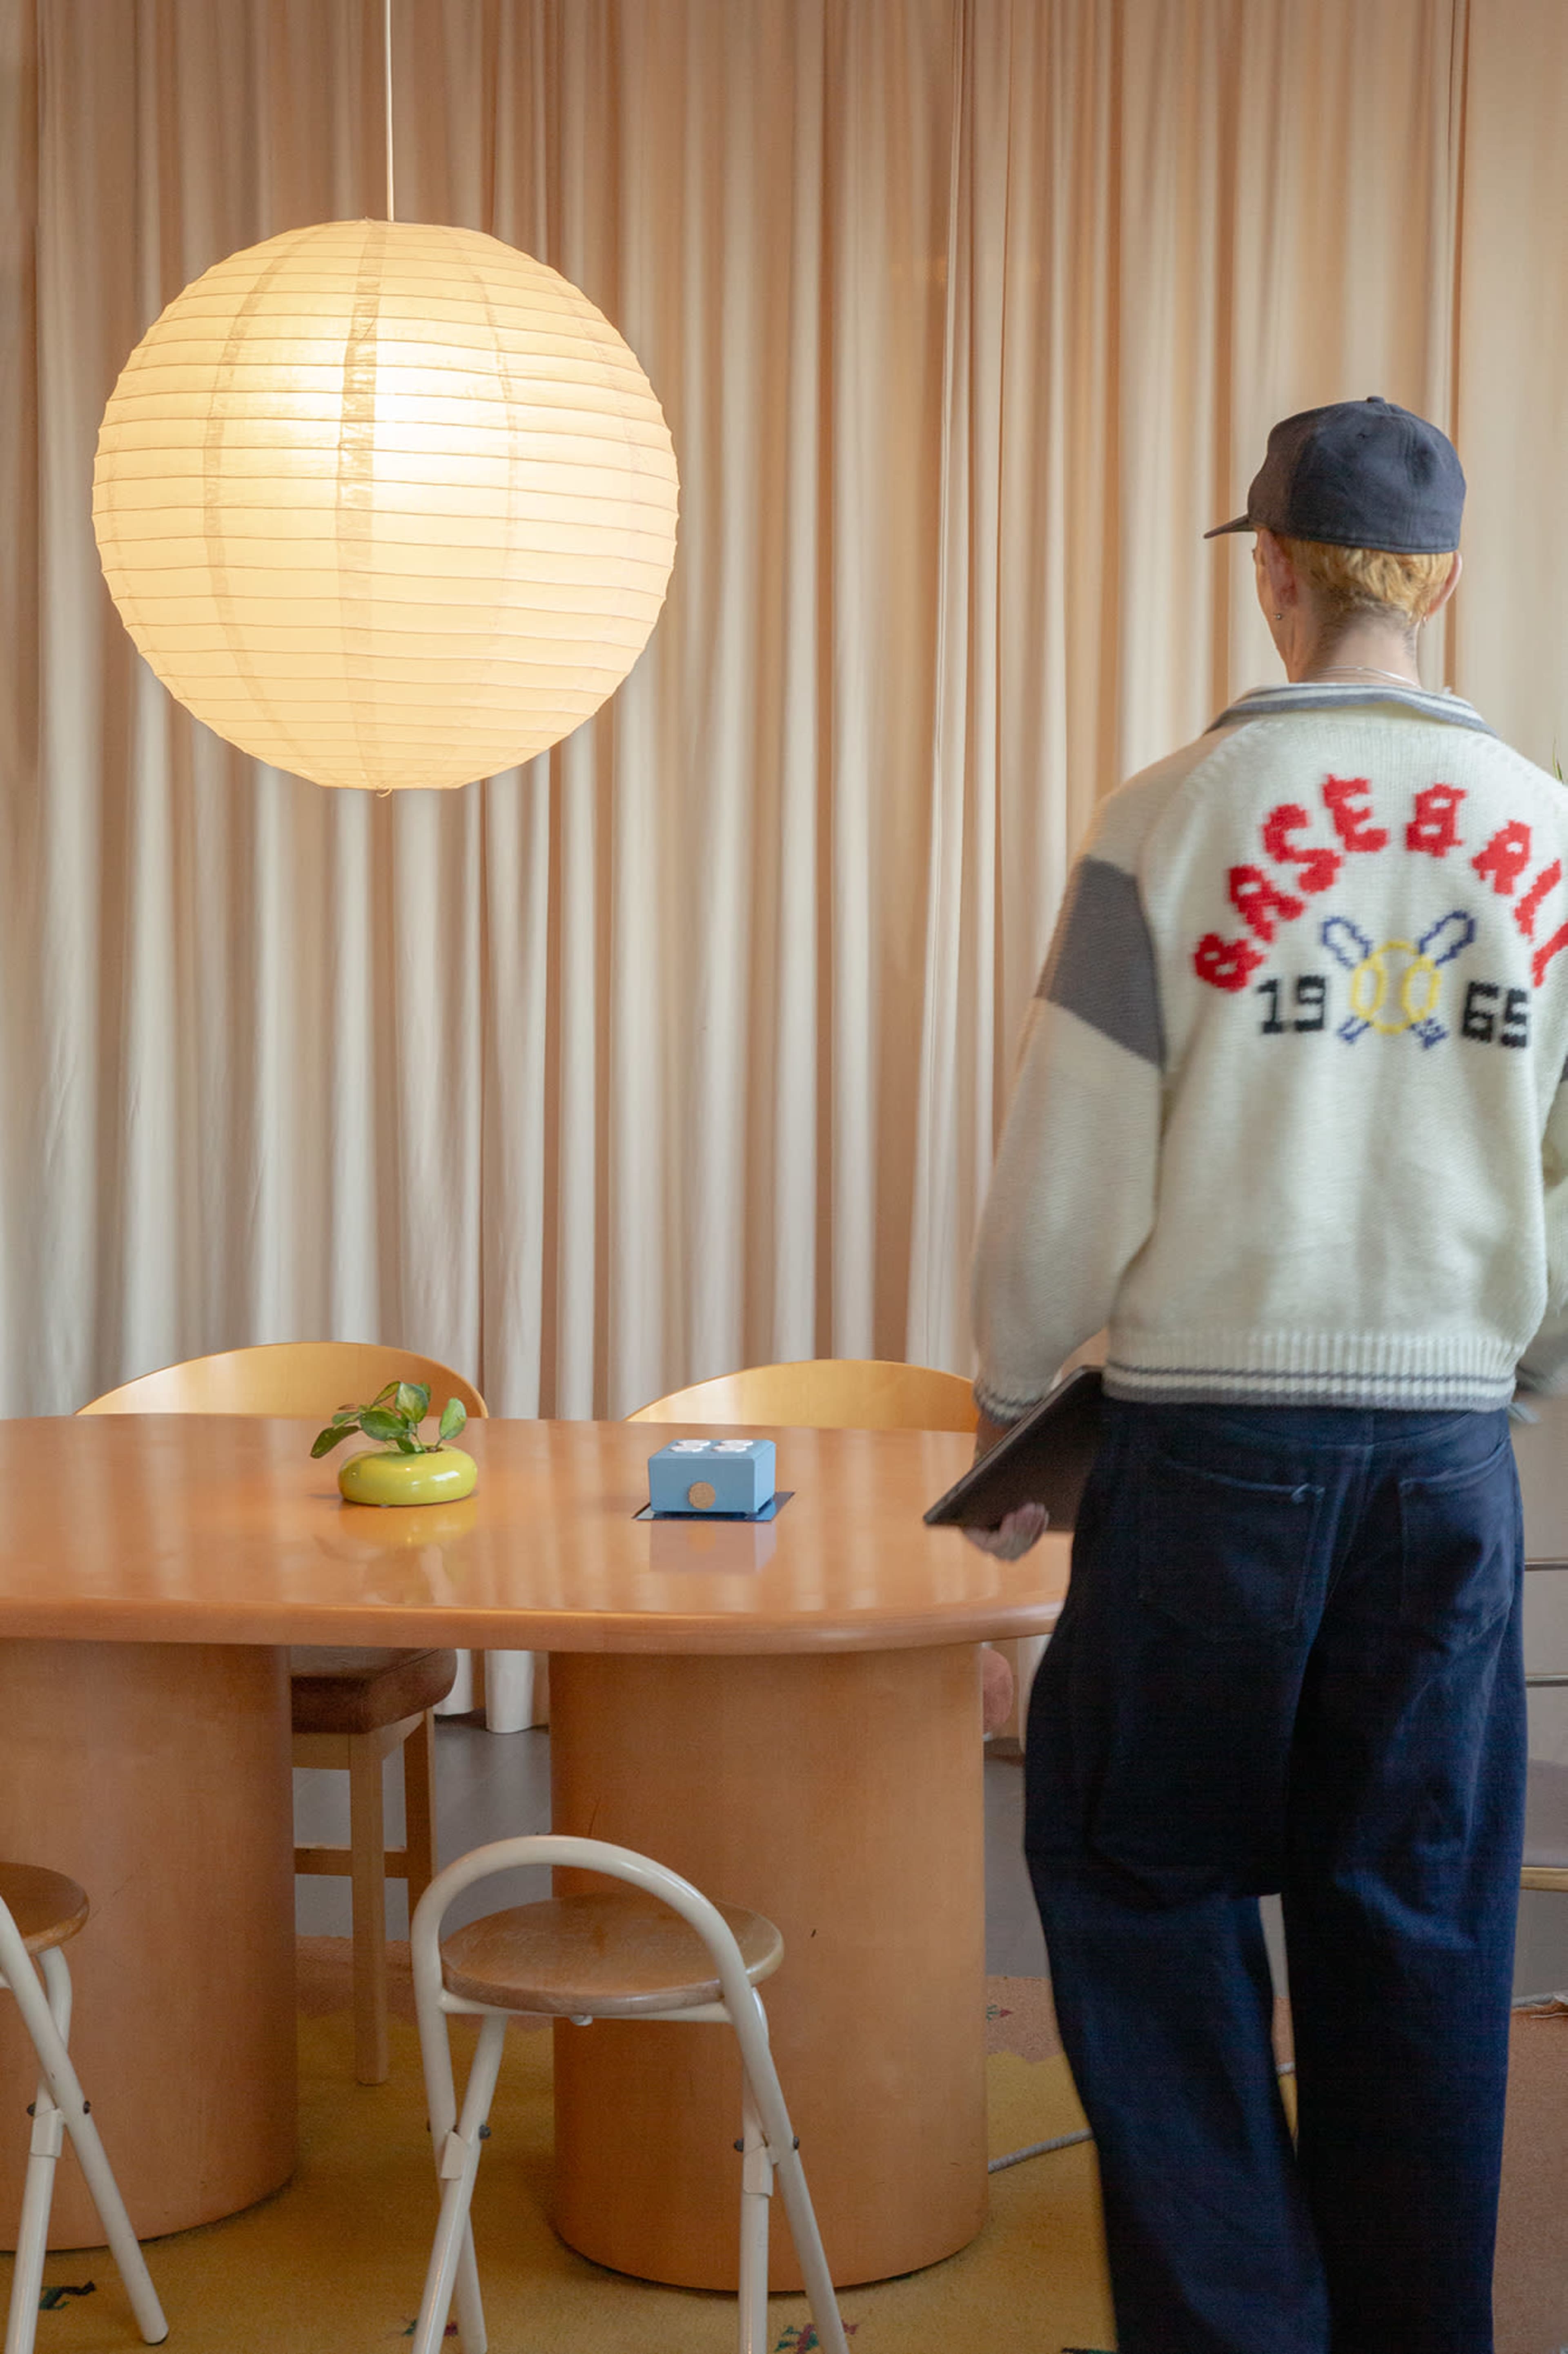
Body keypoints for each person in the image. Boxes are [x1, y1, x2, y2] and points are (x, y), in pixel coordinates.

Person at [967, 396, 1568, 2354]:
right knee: (1420, 1923)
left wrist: (1006, 1402)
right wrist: (1510, 1364)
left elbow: (1072, 1163)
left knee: (1139, 1877)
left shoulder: (1166, 819)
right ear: (1450, 580)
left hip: (1208, 1448)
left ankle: (1241, 2329)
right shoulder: (1554, 835)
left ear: (1276, 572)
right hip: (1446, 1458)